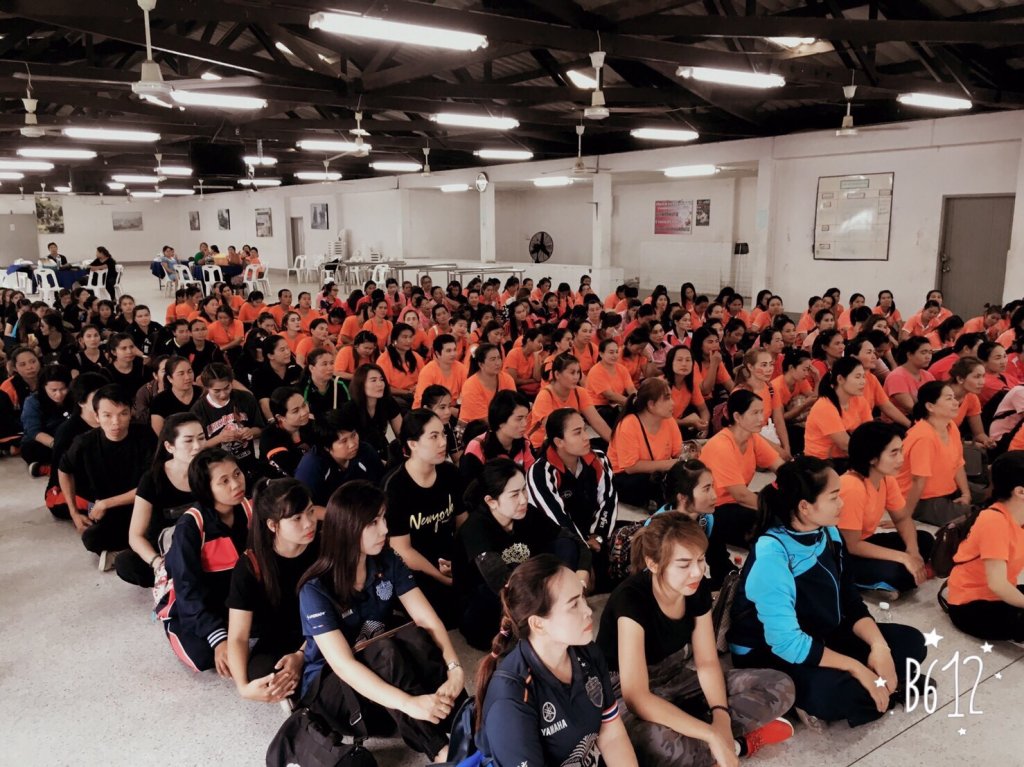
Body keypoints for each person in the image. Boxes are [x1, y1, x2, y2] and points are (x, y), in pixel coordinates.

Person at [728, 457, 927, 729]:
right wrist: (857, 667)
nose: (842, 503)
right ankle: (859, 688)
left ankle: (876, 685)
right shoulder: (772, 554)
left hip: (820, 631)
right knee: (839, 694)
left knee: (912, 643)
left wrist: (879, 647)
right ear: (805, 507)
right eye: (834, 497)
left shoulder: (829, 533)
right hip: (770, 653)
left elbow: (851, 602)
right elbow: (786, 643)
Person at [599, 513, 795, 767]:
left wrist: (721, 717)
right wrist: (710, 734)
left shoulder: (695, 588)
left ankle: (707, 742)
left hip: (675, 677)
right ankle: (737, 745)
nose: (697, 572)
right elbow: (637, 697)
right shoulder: (630, 599)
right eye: (684, 564)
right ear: (654, 564)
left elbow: (706, 663)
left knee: (780, 685)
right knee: (654, 744)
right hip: (623, 691)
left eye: (701, 559)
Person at [298, 480, 465, 762]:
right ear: (348, 528)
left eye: (384, 518)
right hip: (335, 692)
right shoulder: (315, 590)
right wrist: (409, 703)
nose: (385, 529)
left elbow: (426, 618)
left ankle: (466, 720)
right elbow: (343, 665)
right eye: (373, 522)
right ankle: (440, 750)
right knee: (384, 650)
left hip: (385, 671)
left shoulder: (387, 560)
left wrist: (455, 668)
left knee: (415, 636)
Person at [474, 555, 639, 767]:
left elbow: (611, 735)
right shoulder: (511, 699)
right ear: (538, 624)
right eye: (573, 605)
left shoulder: (587, 651)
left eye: (583, 597)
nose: (588, 611)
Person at [456, 459, 590, 650]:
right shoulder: (475, 530)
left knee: (564, 545)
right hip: (490, 609)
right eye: (514, 494)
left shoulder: (526, 513)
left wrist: (581, 573)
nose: (523, 499)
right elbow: (502, 584)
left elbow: (575, 541)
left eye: (524, 489)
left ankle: (557, 608)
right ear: (491, 501)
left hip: (530, 593)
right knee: (491, 594)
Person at [156, 447, 251, 673]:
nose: (236, 484)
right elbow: (188, 589)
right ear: (206, 489)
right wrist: (218, 639)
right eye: (224, 481)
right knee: (204, 657)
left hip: (234, 595)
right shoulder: (191, 526)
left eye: (237, 474)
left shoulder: (250, 510)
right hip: (195, 599)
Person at [226, 478, 317, 703]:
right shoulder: (251, 565)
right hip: (280, 639)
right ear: (273, 525)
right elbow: (238, 636)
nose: (309, 523)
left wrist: (302, 655)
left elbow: (341, 609)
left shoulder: (324, 548)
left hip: (325, 631)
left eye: (311, 511)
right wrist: (243, 687)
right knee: (263, 674)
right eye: (297, 518)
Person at [58, 384, 156, 567]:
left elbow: (151, 486)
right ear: (96, 416)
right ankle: (134, 549)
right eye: (107, 415)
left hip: (144, 505)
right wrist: (73, 512)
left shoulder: (145, 436)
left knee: (161, 526)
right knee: (91, 537)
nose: (115, 422)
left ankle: (126, 552)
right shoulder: (84, 443)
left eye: (123, 414)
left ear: (131, 413)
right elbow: (64, 470)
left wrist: (106, 503)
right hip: (110, 513)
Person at [384, 409, 466, 627]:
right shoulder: (395, 487)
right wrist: (441, 576)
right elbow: (402, 549)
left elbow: (463, 522)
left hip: (449, 558)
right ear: (413, 444)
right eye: (434, 436)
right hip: (415, 567)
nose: (443, 442)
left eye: (443, 434)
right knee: (444, 617)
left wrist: (459, 560)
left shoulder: (450, 473)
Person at [838, 422, 934, 597]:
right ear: (872, 458)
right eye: (894, 453)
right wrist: (903, 557)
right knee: (899, 573)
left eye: (901, 451)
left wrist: (912, 550)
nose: (901, 459)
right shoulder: (851, 486)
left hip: (866, 542)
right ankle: (858, 582)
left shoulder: (885, 479)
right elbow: (852, 545)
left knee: (925, 540)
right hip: (844, 554)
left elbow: (902, 518)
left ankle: (900, 576)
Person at [117, 413, 206, 587]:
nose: (197, 446)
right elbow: (135, 536)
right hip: (167, 548)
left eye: (201, 438)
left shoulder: (213, 470)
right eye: (188, 441)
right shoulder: (152, 479)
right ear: (169, 446)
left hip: (205, 542)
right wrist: (158, 563)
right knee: (126, 563)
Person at [528, 409, 618, 575]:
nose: (586, 437)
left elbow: (608, 499)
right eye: (577, 433)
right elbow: (556, 517)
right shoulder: (541, 471)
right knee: (571, 553)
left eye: (584, 429)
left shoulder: (598, 458)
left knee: (628, 540)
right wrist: (583, 544)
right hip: (559, 539)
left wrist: (598, 535)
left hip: (592, 531)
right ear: (559, 442)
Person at [946, 451, 1024, 641]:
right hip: (971, 605)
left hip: (1001, 594)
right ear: (1020, 492)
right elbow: (997, 584)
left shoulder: (1018, 517)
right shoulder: (994, 521)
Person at [700, 390, 785, 551]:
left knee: (781, 503)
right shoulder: (721, 445)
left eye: (762, 412)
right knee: (774, 523)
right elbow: (741, 495)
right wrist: (776, 510)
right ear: (737, 417)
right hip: (713, 509)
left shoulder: (752, 438)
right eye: (755, 413)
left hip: (735, 502)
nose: (761, 418)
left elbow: (782, 469)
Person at [897, 381, 972, 526]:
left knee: (996, 495)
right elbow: (918, 480)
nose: (956, 403)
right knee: (975, 519)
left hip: (947, 491)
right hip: (920, 500)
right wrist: (904, 517)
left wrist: (966, 494)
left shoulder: (951, 426)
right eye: (949, 399)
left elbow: (958, 464)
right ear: (930, 406)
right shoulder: (924, 436)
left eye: (954, 398)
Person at [650, 460, 734, 589]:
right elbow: (658, 579)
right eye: (706, 489)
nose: (714, 496)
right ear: (683, 497)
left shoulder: (706, 519)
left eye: (712, 486)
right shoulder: (660, 528)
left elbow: (719, 561)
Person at [608, 378, 683, 509]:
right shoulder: (629, 424)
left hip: (657, 472)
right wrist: (670, 464)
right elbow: (630, 467)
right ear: (651, 404)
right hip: (626, 477)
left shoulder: (669, 420)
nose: (673, 403)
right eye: (667, 398)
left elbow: (679, 453)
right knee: (644, 483)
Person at [294, 408, 384, 507]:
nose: (353, 444)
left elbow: (381, 485)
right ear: (326, 447)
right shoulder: (311, 467)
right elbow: (303, 508)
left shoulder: (365, 451)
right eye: (344, 441)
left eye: (353, 435)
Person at [190, 364, 263, 477]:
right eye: (217, 391)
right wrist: (220, 438)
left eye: (227, 387)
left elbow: (260, 429)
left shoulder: (246, 398)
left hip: (248, 463)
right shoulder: (198, 410)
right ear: (206, 387)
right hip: (217, 470)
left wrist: (250, 432)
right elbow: (197, 447)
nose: (223, 394)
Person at [527, 353, 611, 451]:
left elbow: (597, 422)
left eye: (578, 372)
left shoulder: (580, 392)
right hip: (543, 445)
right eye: (572, 373)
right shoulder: (545, 395)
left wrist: (615, 445)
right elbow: (553, 431)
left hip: (571, 441)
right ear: (557, 374)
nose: (576, 377)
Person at [803, 357, 872, 466]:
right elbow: (845, 445)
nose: (863, 381)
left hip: (845, 457)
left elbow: (870, 431)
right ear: (840, 379)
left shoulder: (859, 400)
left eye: (863, 376)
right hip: (821, 463)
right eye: (857, 377)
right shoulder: (824, 406)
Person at [459, 390, 534, 482]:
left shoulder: (525, 442)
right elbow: (470, 488)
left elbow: (532, 477)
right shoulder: (477, 448)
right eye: (519, 419)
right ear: (500, 420)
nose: (525, 424)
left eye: (526, 417)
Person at [343, 363, 403, 461]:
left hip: (383, 450)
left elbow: (401, 433)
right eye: (373, 380)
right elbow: (349, 445)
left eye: (381, 379)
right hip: (359, 455)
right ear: (361, 384)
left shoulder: (388, 402)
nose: (380, 384)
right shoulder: (349, 409)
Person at [20, 363, 71, 476]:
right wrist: (57, 445)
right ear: (44, 387)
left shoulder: (75, 397)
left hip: (68, 440)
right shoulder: (33, 402)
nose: (58, 394)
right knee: (30, 449)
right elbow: (34, 431)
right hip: (45, 443)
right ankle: (48, 469)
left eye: (63, 389)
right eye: (53, 390)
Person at [259, 386, 315, 478]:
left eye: (304, 405)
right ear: (280, 417)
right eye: (295, 411)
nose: (304, 412)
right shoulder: (270, 437)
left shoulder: (310, 424)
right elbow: (297, 471)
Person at [459, 343, 517, 428]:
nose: (498, 363)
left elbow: (514, 405)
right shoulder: (471, 385)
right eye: (493, 359)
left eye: (499, 358)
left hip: (503, 425)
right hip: (477, 429)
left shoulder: (507, 379)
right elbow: (484, 420)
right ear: (481, 364)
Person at [662, 345, 709, 437]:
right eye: (679, 360)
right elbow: (661, 420)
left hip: (676, 427)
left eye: (688, 360)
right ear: (670, 362)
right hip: (661, 429)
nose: (684, 364)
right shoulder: (661, 385)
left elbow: (703, 410)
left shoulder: (691, 384)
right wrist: (687, 422)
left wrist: (705, 425)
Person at [413, 334, 468, 409]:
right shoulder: (428, 371)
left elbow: (467, 393)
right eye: (448, 351)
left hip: (451, 407)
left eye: (454, 350)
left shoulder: (461, 368)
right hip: (428, 409)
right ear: (438, 353)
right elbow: (425, 400)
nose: (453, 354)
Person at [149, 356, 202, 435]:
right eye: (181, 374)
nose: (187, 377)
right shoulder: (159, 402)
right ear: (170, 378)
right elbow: (161, 436)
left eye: (190, 371)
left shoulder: (202, 393)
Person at [377, 322, 424, 410]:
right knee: (398, 404)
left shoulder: (416, 356)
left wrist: (417, 387)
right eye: (404, 337)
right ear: (394, 339)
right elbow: (384, 387)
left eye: (410, 337)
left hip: (415, 393)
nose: (409, 341)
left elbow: (424, 377)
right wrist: (406, 392)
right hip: (395, 396)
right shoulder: (384, 360)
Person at [884, 337, 935, 417]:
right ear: (909, 355)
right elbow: (910, 408)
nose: (928, 356)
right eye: (923, 352)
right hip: (900, 420)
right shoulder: (896, 376)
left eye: (930, 353)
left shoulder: (928, 375)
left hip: (925, 416)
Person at [301, 348, 348, 419]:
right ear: (311, 368)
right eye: (324, 364)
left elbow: (349, 410)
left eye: (331, 363)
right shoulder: (303, 388)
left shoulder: (340, 384)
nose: (330, 368)